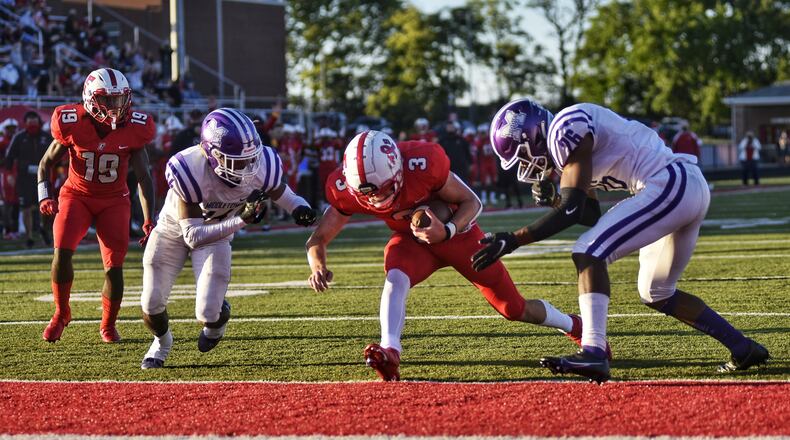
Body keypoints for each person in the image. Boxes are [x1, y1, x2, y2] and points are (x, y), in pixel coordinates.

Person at [475, 99, 770, 383]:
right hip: (681, 186)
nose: (527, 166)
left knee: (588, 251)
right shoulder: (569, 151)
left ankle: (593, 351)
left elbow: (573, 209)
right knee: (656, 291)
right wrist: (556, 199)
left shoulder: (565, 127)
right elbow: (589, 214)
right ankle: (743, 349)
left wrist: (513, 239)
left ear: (533, 136)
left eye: (523, 155)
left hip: (668, 181)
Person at [305, 130, 596, 382]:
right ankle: (390, 351)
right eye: (368, 195)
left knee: (514, 309)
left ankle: (574, 325)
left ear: (397, 169)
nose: (376, 200)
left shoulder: (422, 162)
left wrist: (447, 229)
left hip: (459, 236)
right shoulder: (344, 186)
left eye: (383, 190)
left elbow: (473, 201)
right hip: (411, 241)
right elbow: (318, 238)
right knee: (395, 276)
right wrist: (318, 266)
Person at [139, 108, 317, 369]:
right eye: (236, 161)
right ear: (212, 155)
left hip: (218, 234)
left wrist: (299, 208)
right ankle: (161, 342)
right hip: (175, 230)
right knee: (151, 302)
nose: (247, 167)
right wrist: (242, 220)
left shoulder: (261, 164)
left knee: (208, 312)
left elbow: (283, 194)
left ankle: (217, 322)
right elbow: (192, 236)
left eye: (250, 158)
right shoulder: (188, 168)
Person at [37, 67, 157, 343]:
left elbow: (144, 177)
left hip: (114, 200)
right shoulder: (71, 121)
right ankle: (61, 312)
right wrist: (45, 195)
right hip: (76, 195)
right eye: (108, 100)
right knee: (61, 252)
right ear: (90, 98)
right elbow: (45, 164)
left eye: (120, 99)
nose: (115, 107)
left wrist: (150, 218)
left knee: (114, 266)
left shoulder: (136, 128)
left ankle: (108, 324)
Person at [5, 111, 53, 248]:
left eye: (34, 120)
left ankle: (44, 229)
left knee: (45, 206)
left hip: (43, 177)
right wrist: (9, 174)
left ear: (39, 122)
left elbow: (56, 154)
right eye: (29, 121)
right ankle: (30, 236)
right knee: (26, 208)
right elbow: (10, 156)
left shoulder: (46, 137)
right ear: (25, 123)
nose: (32, 123)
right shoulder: (19, 137)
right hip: (24, 178)